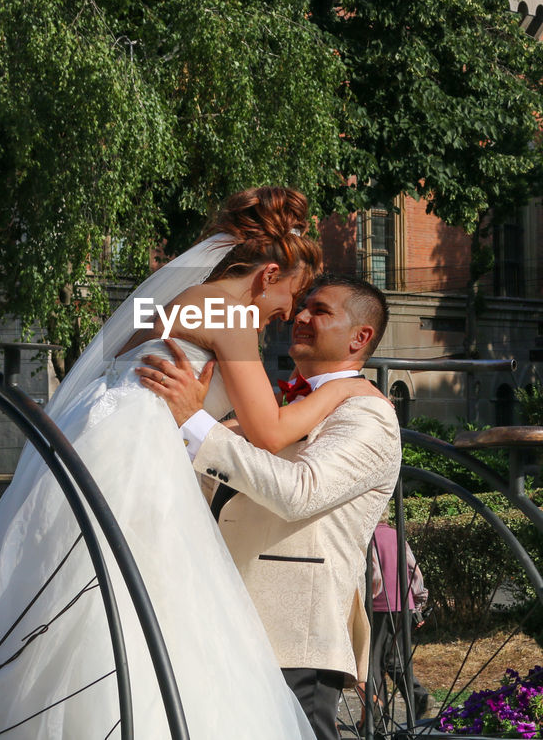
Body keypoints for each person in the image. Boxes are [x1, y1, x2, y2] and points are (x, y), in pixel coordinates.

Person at [0, 188, 377, 739]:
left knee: (75, 597)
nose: (286, 315)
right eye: (292, 296)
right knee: (146, 601)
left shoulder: (169, 298)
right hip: (141, 457)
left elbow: (112, 353)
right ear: (267, 273)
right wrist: (341, 390)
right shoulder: (228, 314)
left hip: (95, 439)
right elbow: (270, 433)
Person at [140, 273, 403, 740]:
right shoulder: (277, 407)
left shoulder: (369, 414)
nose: (300, 317)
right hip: (223, 620)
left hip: (292, 631)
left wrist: (198, 424)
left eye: (320, 311)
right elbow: (223, 491)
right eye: (301, 306)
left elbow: (297, 492)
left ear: (361, 337)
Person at [366, 519, 430, 719]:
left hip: (378, 606)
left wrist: (367, 596)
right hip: (403, 605)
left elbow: (374, 575)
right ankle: (419, 697)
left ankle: (378, 715)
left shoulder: (368, 534)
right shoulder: (398, 536)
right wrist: (418, 603)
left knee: (373, 663)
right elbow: (414, 572)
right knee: (395, 659)